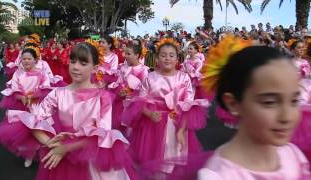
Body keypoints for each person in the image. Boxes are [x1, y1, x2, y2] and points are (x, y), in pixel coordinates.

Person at [0, 42, 134, 180]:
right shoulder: (58, 93)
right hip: (61, 157)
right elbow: (31, 121)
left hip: (89, 161)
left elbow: (102, 135)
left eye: (83, 63)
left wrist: (66, 148)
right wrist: (50, 143)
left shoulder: (103, 97)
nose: (76, 67)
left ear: (95, 68)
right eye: (73, 61)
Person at [197, 36, 310, 179]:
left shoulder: (293, 155)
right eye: (269, 102)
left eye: (294, 101)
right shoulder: (219, 175)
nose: (287, 116)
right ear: (233, 103)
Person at [122, 38, 209, 178]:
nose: (167, 58)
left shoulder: (184, 78)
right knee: (155, 165)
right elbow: (139, 101)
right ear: (157, 58)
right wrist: (149, 113)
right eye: (163, 55)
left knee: (175, 163)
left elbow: (188, 106)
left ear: (177, 59)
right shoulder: (150, 78)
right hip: (152, 127)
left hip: (177, 125)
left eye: (171, 55)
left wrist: (181, 130)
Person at [108, 43, 149, 132]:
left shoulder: (143, 70)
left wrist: (132, 94)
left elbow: (144, 89)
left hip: (133, 104)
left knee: (130, 131)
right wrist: (119, 91)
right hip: (120, 102)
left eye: (129, 54)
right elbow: (119, 82)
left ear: (137, 55)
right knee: (118, 128)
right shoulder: (123, 67)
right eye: (125, 53)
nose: (125, 56)